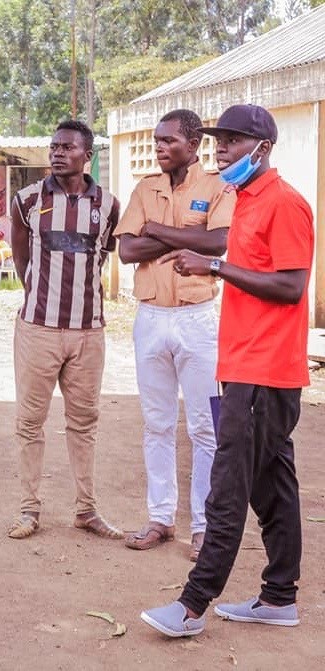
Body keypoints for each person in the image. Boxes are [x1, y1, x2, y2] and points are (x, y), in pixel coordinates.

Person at [141, 105, 313, 637]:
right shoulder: (244, 201)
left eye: (234, 141)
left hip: (266, 371)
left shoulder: (285, 204)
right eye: (220, 139)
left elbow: (291, 287)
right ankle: (279, 598)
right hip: (243, 365)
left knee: (228, 484)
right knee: (272, 485)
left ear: (263, 147)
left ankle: (192, 606)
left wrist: (214, 265)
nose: (223, 149)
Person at [116, 109, 235, 561]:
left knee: (205, 426)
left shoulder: (218, 187)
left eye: (168, 140)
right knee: (158, 424)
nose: (159, 147)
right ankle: (161, 519)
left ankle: (204, 526)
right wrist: (187, 237)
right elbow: (127, 250)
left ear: (194, 143)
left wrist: (159, 231)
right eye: (156, 140)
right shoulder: (145, 188)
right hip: (150, 318)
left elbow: (218, 242)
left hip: (197, 318)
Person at [7, 120, 123, 541]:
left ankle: (86, 510)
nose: (57, 153)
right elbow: (21, 255)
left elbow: (102, 256)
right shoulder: (27, 201)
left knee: (84, 421)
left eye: (67, 147)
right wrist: (38, 290)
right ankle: (28, 509)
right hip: (37, 328)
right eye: (53, 146)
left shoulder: (108, 205)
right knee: (29, 421)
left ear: (86, 154)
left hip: (88, 332)